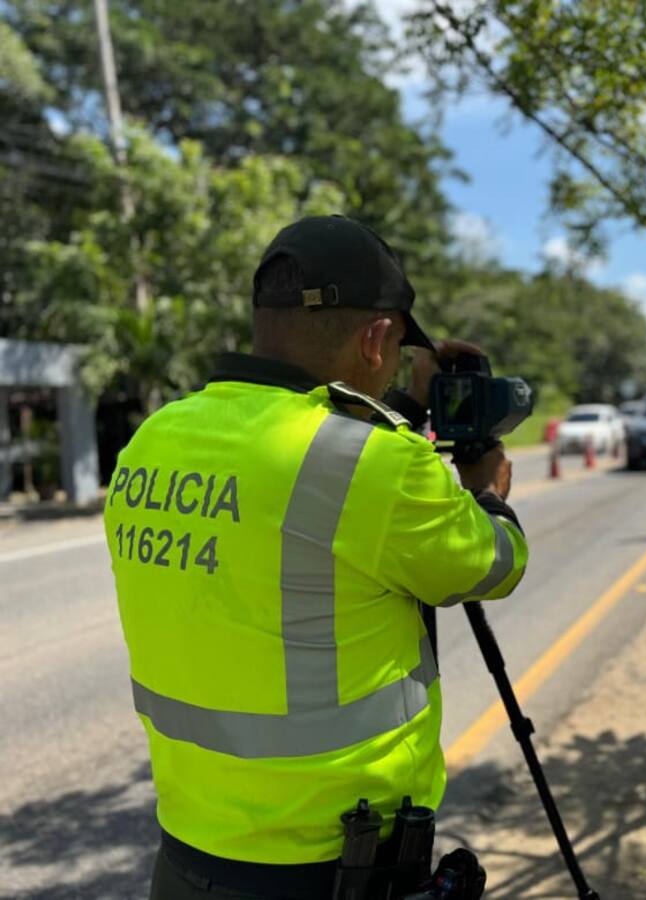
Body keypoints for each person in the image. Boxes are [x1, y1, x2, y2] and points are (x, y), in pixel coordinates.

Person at [104, 215, 528, 899]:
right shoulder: (378, 467)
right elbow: (495, 564)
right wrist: (489, 493)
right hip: (336, 866)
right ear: (377, 336)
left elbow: (303, 487)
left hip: (187, 853)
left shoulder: (155, 439)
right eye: (394, 352)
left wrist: (401, 408)